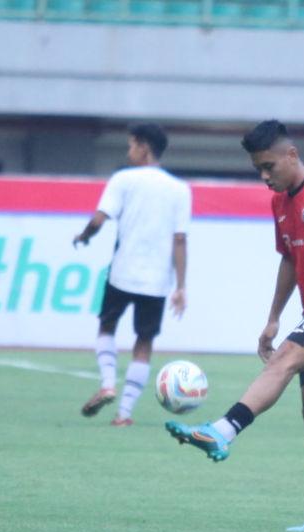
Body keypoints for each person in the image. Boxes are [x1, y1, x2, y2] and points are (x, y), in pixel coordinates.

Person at [165, 120, 304, 532]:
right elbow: (289, 260)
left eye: (269, 166)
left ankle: (222, 430)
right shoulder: (280, 204)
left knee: (284, 360)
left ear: (292, 154)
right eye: (258, 170)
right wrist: (272, 318)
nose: (264, 176)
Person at [75, 123, 191, 427]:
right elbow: (180, 239)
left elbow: (99, 219)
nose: (129, 151)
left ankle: (108, 383)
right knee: (144, 341)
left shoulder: (123, 179)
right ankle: (124, 414)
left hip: (122, 273)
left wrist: (84, 236)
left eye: (131, 145)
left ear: (143, 146)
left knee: (107, 325)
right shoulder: (180, 190)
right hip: (156, 281)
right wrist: (181, 286)